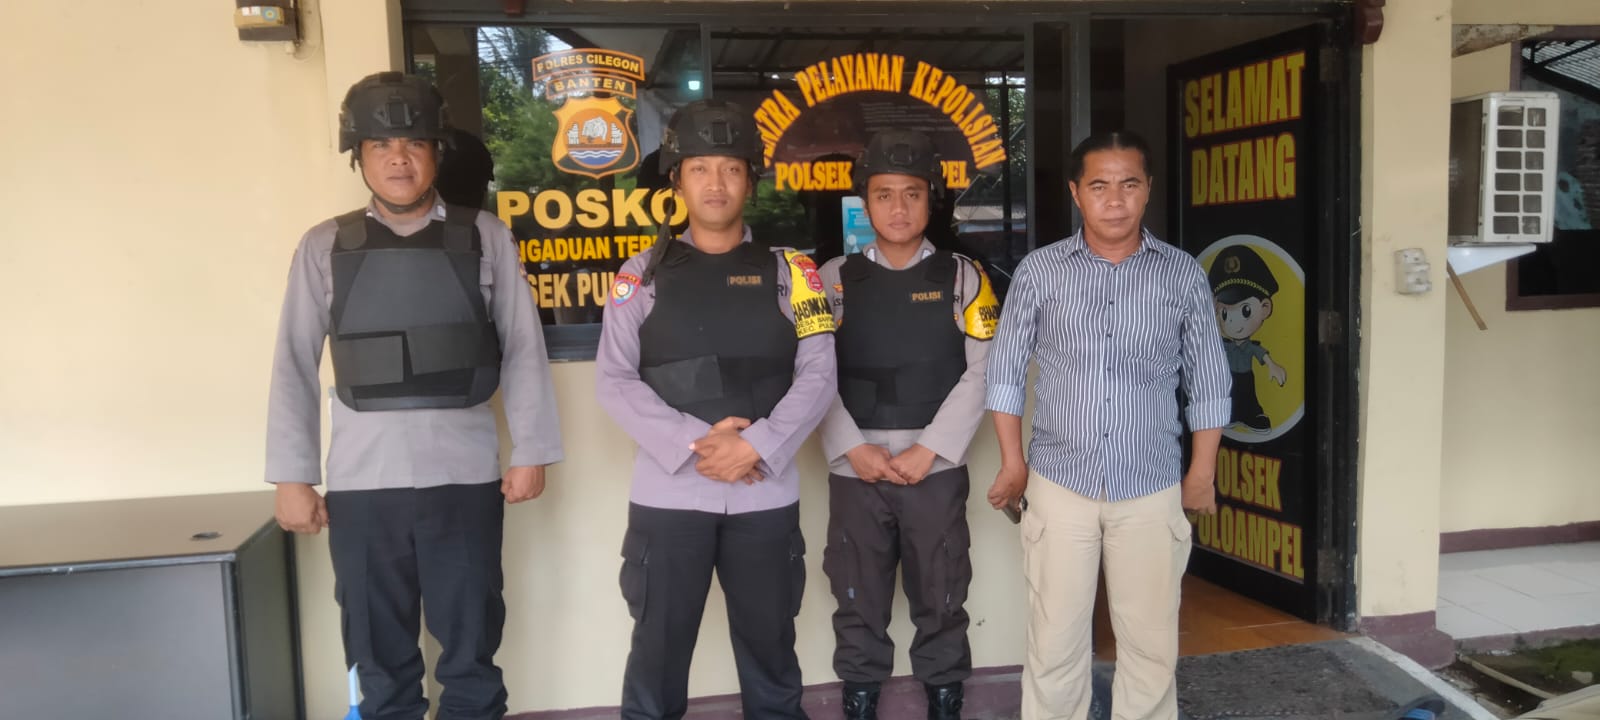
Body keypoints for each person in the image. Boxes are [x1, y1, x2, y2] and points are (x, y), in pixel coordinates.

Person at [265, 71, 564, 720]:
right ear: (359, 156)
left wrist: (532, 451)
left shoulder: (485, 236)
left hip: (464, 479)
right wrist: (292, 476)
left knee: (472, 652)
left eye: (413, 143)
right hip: (363, 485)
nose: (398, 158)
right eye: (380, 145)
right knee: (379, 659)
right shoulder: (325, 245)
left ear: (436, 152)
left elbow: (522, 346)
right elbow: (293, 361)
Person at [594, 99, 837, 720]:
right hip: (670, 495)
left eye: (731, 168)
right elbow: (614, 379)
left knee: (772, 655)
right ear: (676, 180)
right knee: (657, 655)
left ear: (751, 181)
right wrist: (698, 444)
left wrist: (757, 445)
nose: (716, 183)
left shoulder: (795, 273)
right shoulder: (640, 275)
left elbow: (818, 373)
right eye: (699, 168)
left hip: (764, 492)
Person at [984, 130, 1231, 720]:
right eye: (1099, 186)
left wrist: (1201, 473)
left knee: (1150, 643)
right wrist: (1013, 462)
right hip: (1059, 482)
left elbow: (1209, 380)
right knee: (1054, 641)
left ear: (1148, 190)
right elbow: (1004, 373)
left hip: (1149, 484)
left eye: (1128, 184)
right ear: (1076, 193)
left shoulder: (1181, 274)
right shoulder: (1040, 272)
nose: (1114, 199)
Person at [815, 130, 999, 720]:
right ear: (865, 203)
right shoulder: (831, 279)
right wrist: (851, 446)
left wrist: (931, 449)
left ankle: (945, 695)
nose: (898, 208)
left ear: (931, 200)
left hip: (935, 468)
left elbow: (985, 371)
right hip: (856, 468)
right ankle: (860, 696)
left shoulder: (965, 277)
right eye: (884, 194)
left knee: (942, 585)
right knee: (856, 589)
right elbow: (811, 373)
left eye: (912, 194)